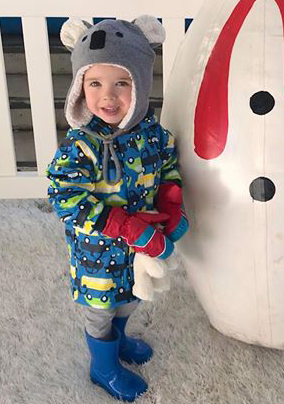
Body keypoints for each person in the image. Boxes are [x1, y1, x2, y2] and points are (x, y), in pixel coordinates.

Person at [46, 16, 188, 402]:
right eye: (95, 84)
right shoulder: (80, 145)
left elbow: (169, 168)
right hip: (98, 254)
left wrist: (172, 205)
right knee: (101, 310)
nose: (108, 96)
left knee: (130, 299)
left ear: (140, 85)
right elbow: (65, 198)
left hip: (140, 250)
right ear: (80, 88)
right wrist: (122, 225)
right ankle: (102, 366)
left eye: (121, 83)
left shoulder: (154, 135)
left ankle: (121, 342)